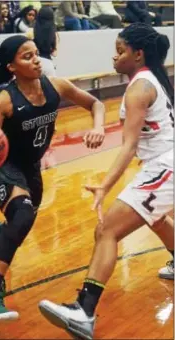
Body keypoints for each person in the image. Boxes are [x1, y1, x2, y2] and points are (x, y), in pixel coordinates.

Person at [0, 35, 105, 324]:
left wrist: (98, 127)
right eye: (27, 56)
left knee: (22, 221)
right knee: (22, 215)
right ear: (12, 66)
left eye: (36, 54)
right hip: (4, 165)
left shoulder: (56, 85)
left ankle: (3, 232)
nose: (36, 60)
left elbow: (95, 104)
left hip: (31, 166)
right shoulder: (3, 100)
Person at [38, 23, 174, 339]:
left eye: (120, 51)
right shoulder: (149, 79)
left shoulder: (140, 87)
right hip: (163, 164)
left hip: (165, 168)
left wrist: (105, 186)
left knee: (107, 229)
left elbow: (127, 146)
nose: (114, 57)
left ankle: (83, 311)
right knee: (153, 220)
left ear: (138, 54)